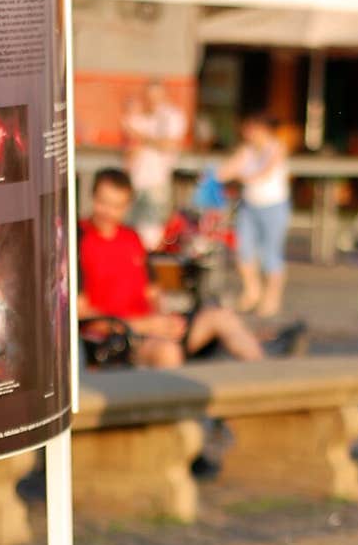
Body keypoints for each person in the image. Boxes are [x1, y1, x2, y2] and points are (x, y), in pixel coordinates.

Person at [77, 167, 270, 368]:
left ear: (127, 206)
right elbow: (83, 314)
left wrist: (164, 321)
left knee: (221, 317)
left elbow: (153, 292)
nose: (108, 212)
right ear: (92, 197)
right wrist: (147, 326)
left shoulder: (131, 238)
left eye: (117, 205)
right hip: (117, 340)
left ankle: (265, 375)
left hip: (153, 328)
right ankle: (179, 394)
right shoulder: (78, 240)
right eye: (103, 202)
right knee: (167, 351)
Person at [214, 113, 292, 318]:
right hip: (249, 207)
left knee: (270, 254)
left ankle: (272, 298)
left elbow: (264, 173)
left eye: (251, 128)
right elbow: (226, 170)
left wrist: (242, 176)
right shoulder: (246, 151)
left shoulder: (276, 147)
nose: (247, 133)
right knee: (243, 250)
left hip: (273, 206)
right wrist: (215, 175)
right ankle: (252, 291)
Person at [121, 79, 187, 250]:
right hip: (136, 180)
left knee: (150, 233)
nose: (151, 101)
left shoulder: (171, 116)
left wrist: (140, 136)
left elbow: (169, 145)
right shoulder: (142, 118)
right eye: (148, 97)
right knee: (131, 230)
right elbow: (130, 152)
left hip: (156, 181)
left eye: (155, 97)